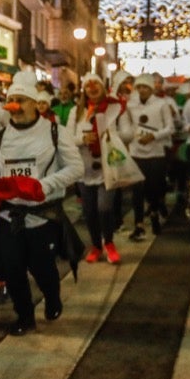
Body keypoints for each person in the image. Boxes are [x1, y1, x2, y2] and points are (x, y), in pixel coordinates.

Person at [0, 74, 83, 334]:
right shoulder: (0, 135)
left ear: (36, 104)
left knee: (42, 267)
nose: (14, 105)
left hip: (42, 215)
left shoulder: (54, 131)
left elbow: (76, 167)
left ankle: (52, 297)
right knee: (13, 269)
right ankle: (24, 316)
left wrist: (45, 185)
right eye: (11, 100)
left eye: (21, 100)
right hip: (9, 215)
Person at [66, 72, 127, 264]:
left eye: (96, 85)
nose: (92, 89)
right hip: (84, 169)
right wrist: (82, 139)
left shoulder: (115, 108)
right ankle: (96, 245)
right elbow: (67, 139)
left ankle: (109, 242)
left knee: (104, 208)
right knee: (90, 211)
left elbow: (129, 134)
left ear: (102, 87)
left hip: (108, 167)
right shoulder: (76, 112)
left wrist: (112, 136)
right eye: (88, 86)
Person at [123, 76, 177, 239]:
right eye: (139, 87)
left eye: (145, 87)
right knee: (137, 190)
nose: (142, 90)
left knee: (153, 188)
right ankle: (138, 224)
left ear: (151, 89)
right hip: (136, 151)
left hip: (156, 152)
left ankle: (154, 212)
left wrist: (154, 136)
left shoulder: (162, 104)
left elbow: (170, 128)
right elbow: (127, 126)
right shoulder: (130, 105)